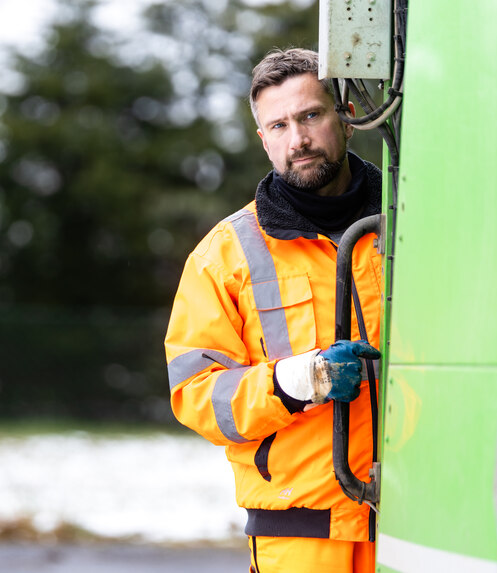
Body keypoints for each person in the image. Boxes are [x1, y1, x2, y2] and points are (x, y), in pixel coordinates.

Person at [164, 48, 383, 572]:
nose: (298, 139)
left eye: (310, 115)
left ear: (346, 116)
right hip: (299, 529)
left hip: (418, 518)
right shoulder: (225, 255)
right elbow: (195, 395)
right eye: (278, 125)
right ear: (263, 139)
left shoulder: (416, 222)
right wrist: (294, 382)